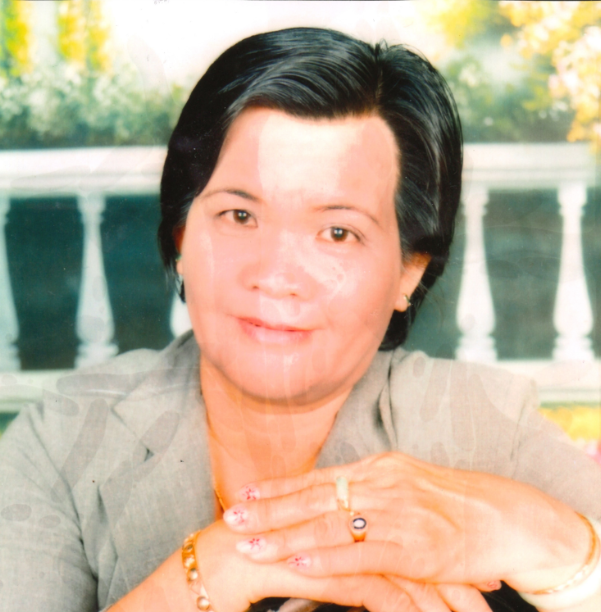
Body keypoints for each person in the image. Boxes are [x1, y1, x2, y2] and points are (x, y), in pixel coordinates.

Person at [0, 26, 600, 612]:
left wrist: (543, 535)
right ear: (182, 236)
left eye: (337, 232)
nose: (277, 274)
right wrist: (211, 575)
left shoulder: (488, 426)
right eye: (239, 216)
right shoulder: (63, 440)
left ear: (409, 270)